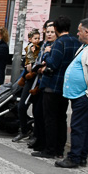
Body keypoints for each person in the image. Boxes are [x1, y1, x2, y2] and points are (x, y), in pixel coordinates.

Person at [55, 18, 88, 168]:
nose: (77, 33)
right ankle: (81, 156)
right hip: (80, 95)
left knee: (78, 127)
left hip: (84, 96)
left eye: (79, 31)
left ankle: (74, 157)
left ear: (87, 32)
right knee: (83, 126)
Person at [34, 15, 79, 160]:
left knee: (50, 119)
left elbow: (53, 64)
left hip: (53, 85)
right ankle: (60, 149)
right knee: (61, 118)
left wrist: (46, 54)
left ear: (57, 29)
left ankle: (50, 149)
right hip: (66, 85)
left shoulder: (59, 43)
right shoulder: (75, 41)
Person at [26, 22, 55, 151]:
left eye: (52, 32)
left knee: (44, 115)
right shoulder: (43, 45)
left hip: (48, 84)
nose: (49, 34)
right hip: (38, 82)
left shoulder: (55, 46)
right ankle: (37, 138)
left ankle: (44, 142)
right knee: (37, 112)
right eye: (47, 31)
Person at [12, 27, 42, 141]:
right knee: (21, 106)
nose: (37, 40)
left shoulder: (40, 47)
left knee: (35, 109)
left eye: (39, 38)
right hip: (29, 78)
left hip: (36, 80)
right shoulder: (30, 48)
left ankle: (32, 132)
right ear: (29, 39)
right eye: (35, 38)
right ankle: (24, 129)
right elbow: (28, 63)